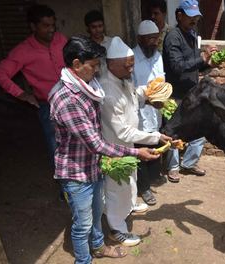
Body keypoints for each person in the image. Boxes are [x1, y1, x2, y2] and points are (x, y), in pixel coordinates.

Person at [48, 35, 159, 264]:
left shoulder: (88, 86)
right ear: (77, 64)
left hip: (92, 165)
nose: (98, 70)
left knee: (97, 214)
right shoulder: (67, 98)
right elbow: (96, 143)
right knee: (83, 224)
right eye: (95, 65)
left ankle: (98, 247)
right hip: (76, 172)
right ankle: (83, 260)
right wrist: (138, 152)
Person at [99, 36, 172, 247]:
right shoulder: (108, 90)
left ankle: (129, 206)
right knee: (116, 189)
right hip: (115, 147)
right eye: (128, 66)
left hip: (128, 145)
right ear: (112, 64)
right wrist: (155, 137)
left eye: (132, 65)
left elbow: (134, 96)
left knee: (130, 181)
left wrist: (147, 94)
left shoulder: (123, 78)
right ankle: (116, 229)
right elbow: (123, 132)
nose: (132, 70)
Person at [0, 4, 67, 165]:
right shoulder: (23, 51)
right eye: (46, 26)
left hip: (71, 102)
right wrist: (22, 94)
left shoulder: (61, 40)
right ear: (33, 26)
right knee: (58, 150)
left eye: (53, 25)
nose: (51, 30)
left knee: (78, 145)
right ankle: (66, 188)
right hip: (49, 107)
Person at [162, 0, 216, 183]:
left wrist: (207, 64)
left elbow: (194, 66)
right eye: (191, 17)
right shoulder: (173, 37)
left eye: (196, 17)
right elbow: (177, 67)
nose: (194, 20)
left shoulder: (192, 34)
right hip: (176, 94)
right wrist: (201, 58)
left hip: (192, 91)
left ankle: (190, 162)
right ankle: (173, 167)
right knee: (173, 131)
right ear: (179, 16)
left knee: (199, 128)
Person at [133, 20, 165, 206]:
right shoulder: (131, 58)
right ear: (139, 39)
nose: (154, 42)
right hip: (138, 114)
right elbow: (131, 90)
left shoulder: (158, 56)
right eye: (149, 39)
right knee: (140, 150)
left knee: (155, 143)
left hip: (155, 111)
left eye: (156, 38)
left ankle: (153, 177)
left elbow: (162, 81)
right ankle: (143, 188)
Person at [84, 10, 112, 80]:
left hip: (113, 84)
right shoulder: (85, 46)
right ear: (88, 28)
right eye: (94, 27)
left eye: (100, 26)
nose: (98, 30)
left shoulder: (112, 43)